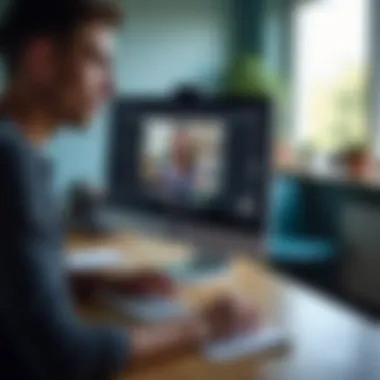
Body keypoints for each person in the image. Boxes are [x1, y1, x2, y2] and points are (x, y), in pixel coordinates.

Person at [0, 1, 258, 379]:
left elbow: (14, 291)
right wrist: (203, 326)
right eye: (96, 62)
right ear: (42, 61)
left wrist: (102, 283)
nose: (111, 85)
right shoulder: (12, 163)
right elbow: (64, 358)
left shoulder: (15, 150)